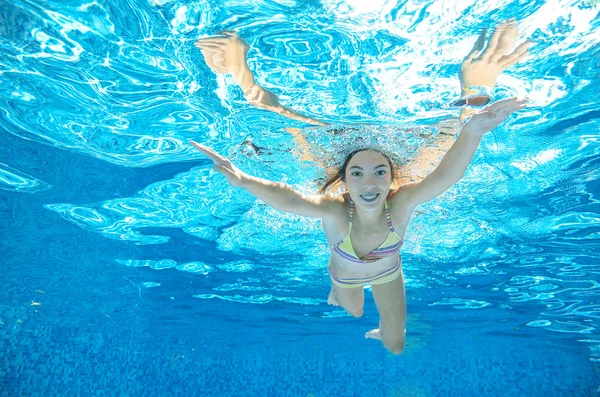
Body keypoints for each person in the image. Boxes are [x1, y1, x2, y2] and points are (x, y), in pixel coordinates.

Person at [190, 20, 531, 354]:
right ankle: (240, 69)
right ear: (345, 181)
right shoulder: (336, 211)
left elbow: (443, 177)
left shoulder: (401, 202)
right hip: (345, 276)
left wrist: (472, 131)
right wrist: (242, 179)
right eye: (357, 174)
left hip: (388, 272)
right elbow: (289, 199)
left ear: (390, 178)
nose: (369, 183)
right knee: (350, 309)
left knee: (395, 345)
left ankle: (473, 88)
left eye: (380, 172)